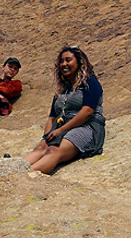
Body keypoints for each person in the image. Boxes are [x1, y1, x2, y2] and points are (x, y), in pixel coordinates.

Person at [23, 45, 105, 174]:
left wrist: (60, 130)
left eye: (68, 60)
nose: (64, 64)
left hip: (86, 127)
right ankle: (11, 168)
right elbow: (52, 116)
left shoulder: (90, 82)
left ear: (79, 62)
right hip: (62, 128)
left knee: (53, 150)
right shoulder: (62, 89)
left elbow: (87, 111)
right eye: (61, 61)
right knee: (41, 147)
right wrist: (47, 136)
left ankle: (23, 176)